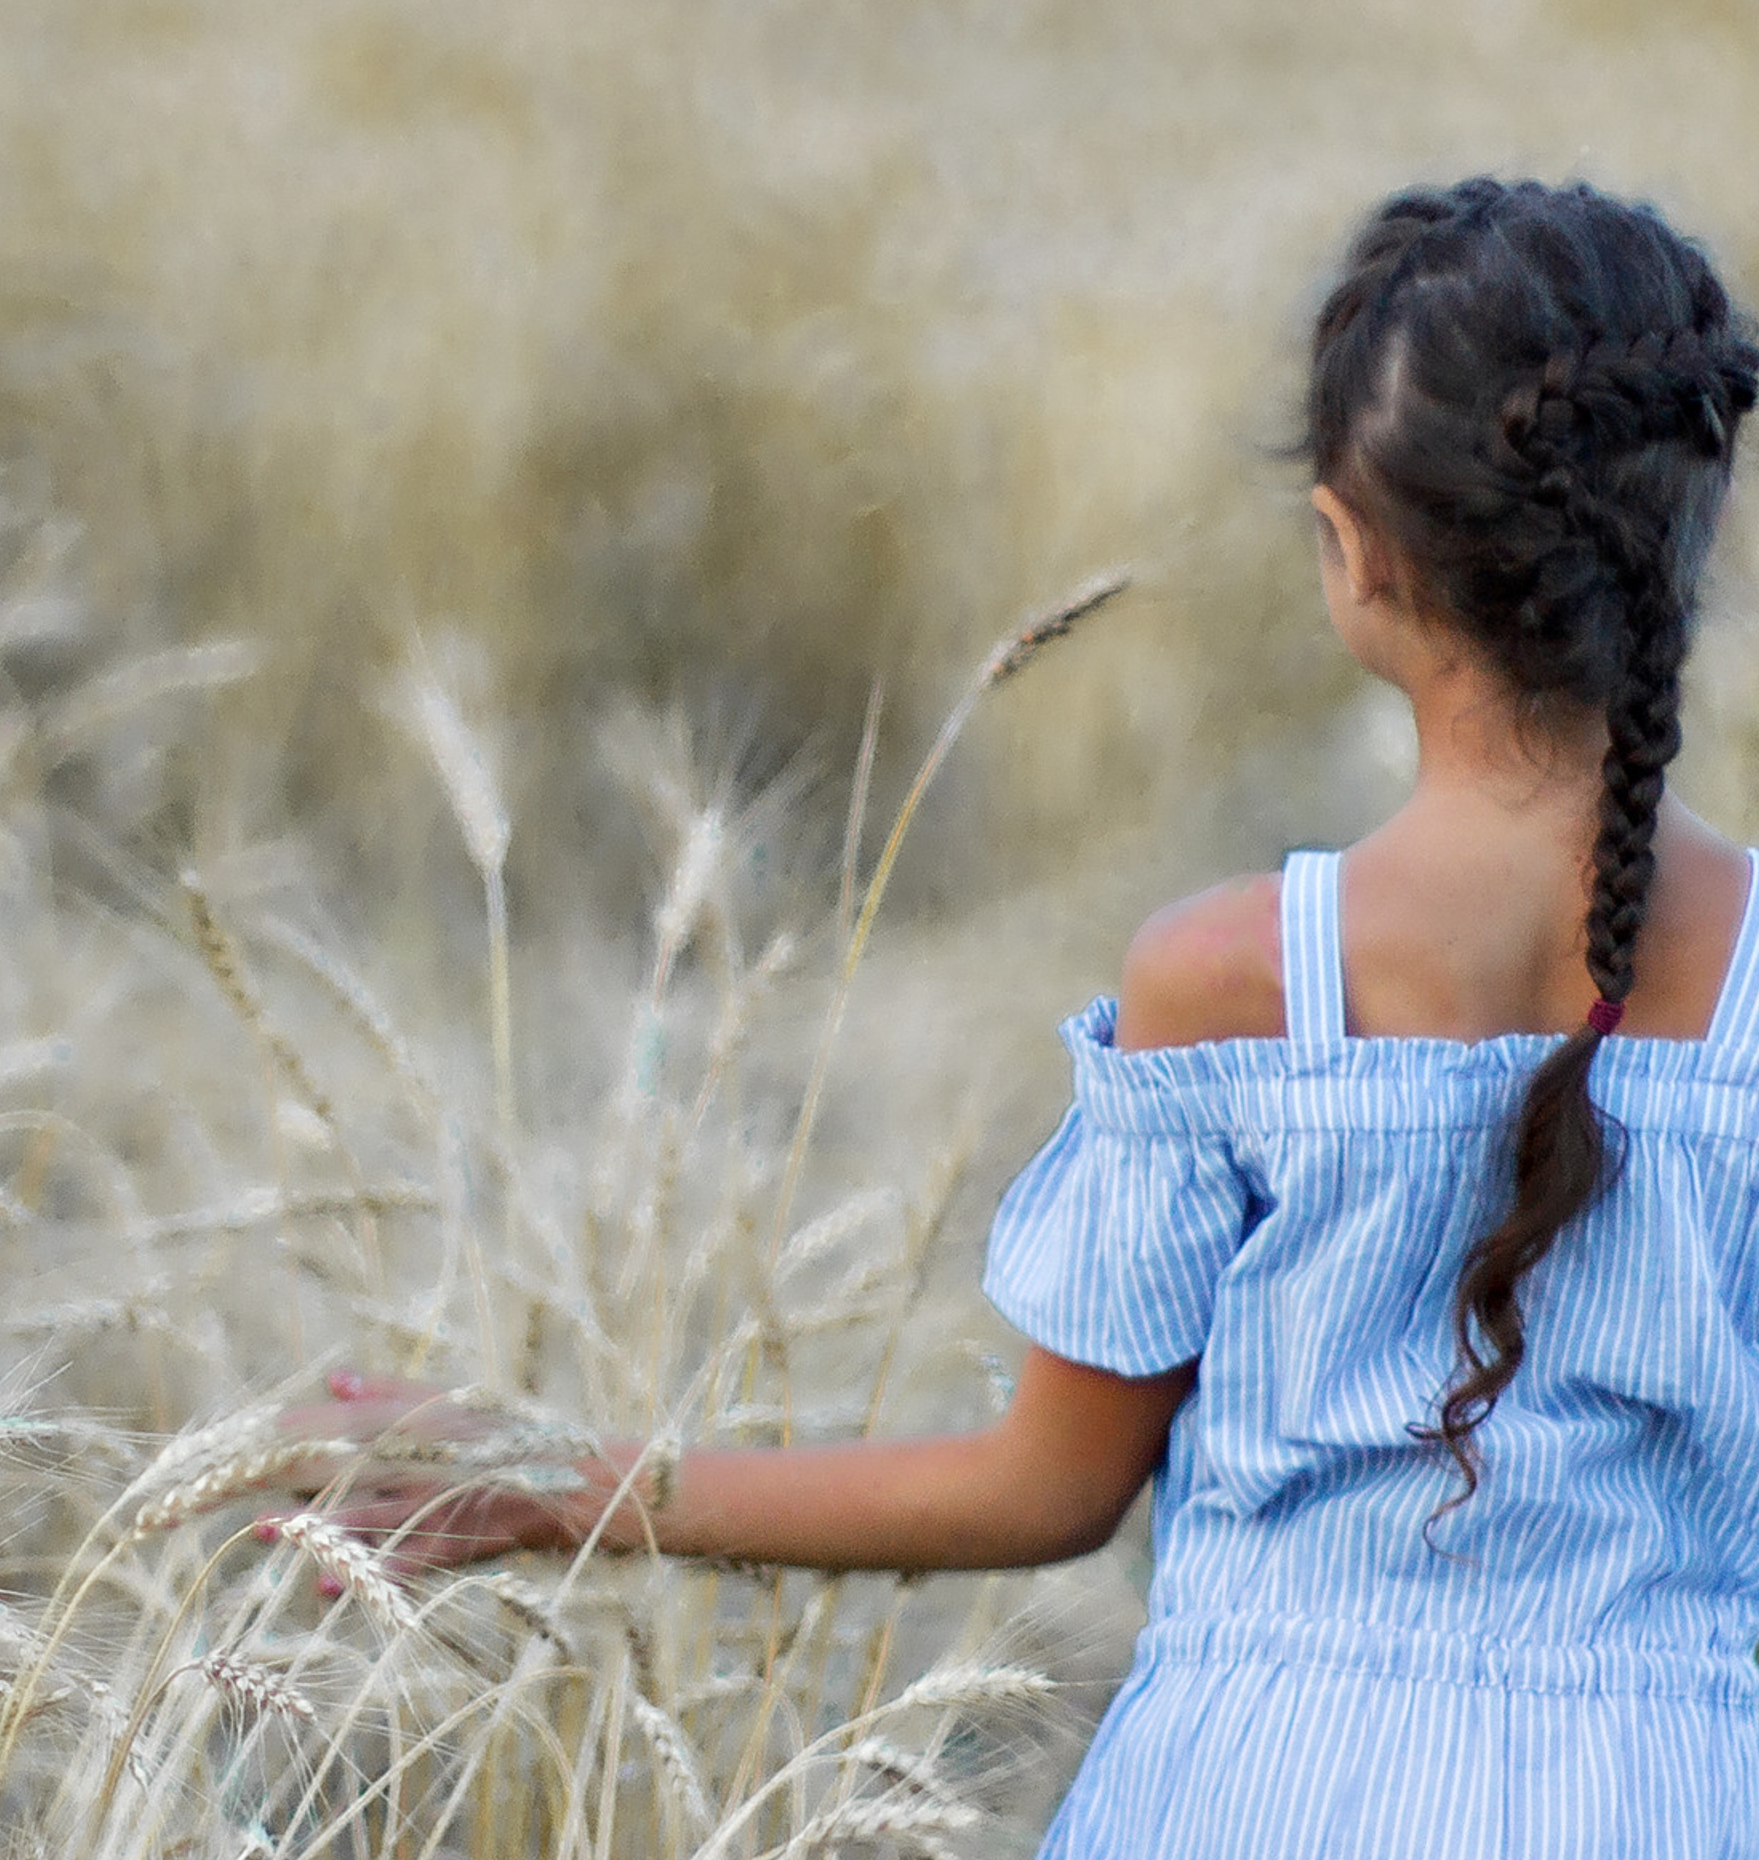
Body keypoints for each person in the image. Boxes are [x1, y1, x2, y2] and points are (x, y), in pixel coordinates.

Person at [256, 177, 1759, 1855]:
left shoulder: (1232, 980)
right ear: (1689, 533)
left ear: (1351, 551)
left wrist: (551, 1480)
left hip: (1252, 1794)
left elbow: (1041, 1489)